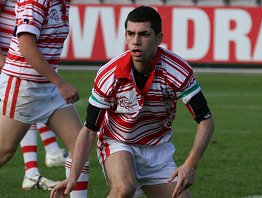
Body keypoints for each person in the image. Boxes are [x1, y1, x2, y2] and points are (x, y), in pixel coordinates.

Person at [51, 6, 214, 198]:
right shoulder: (108, 74)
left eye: (144, 34)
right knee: (123, 189)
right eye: (130, 34)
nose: (135, 41)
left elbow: (206, 121)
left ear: (159, 38)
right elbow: (88, 131)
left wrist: (190, 165)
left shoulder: (177, 70)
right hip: (118, 143)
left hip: (157, 150)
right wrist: (73, 177)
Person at [0, 0, 90, 197]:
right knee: (4, 151)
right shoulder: (35, 1)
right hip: (23, 85)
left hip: (46, 87)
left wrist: (55, 83)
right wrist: (60, 83)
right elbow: (25, 45)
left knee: (80, 144)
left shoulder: (63, 2)